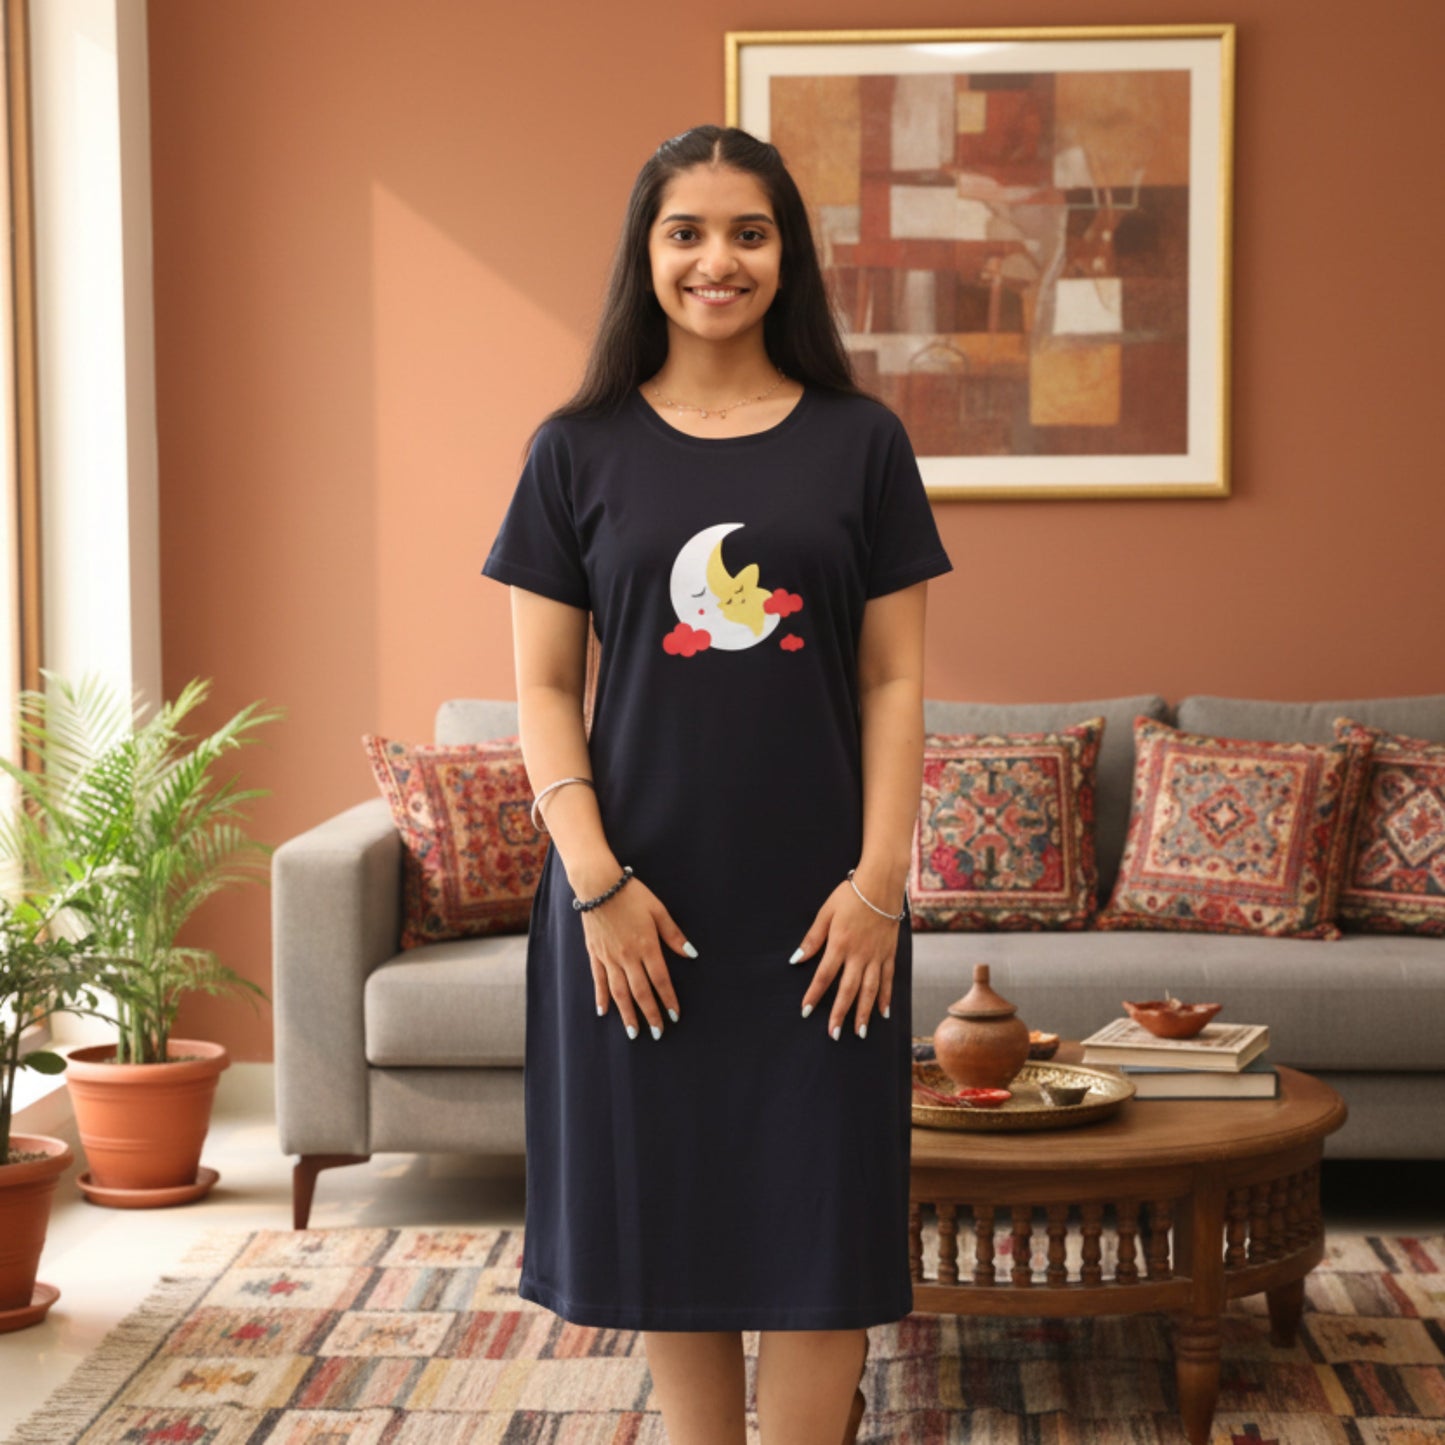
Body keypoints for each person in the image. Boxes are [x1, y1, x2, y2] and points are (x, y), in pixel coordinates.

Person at [481, 123, 953, 1445]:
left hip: (825, 914)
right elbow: (544, 692)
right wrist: (597, 887)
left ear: (787, 256)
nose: (717, 260)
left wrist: (880, 884)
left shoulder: (862, 442)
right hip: (636, 906)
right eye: (685, 232)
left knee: (823, 1237)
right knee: (667, 1225)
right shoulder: (574, 449)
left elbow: (892, 681)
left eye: (749, 233)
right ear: (645, 254)